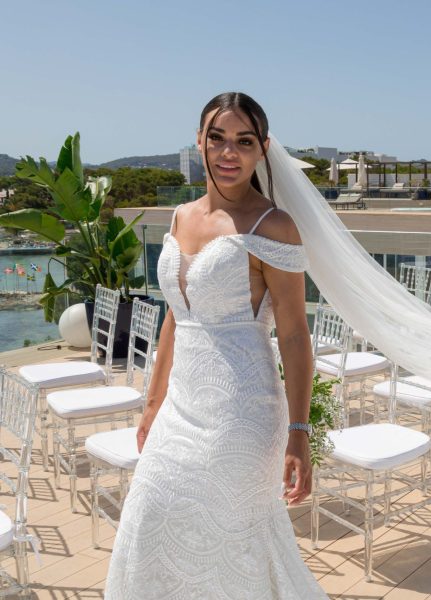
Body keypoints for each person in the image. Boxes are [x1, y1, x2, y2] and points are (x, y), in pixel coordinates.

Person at [104, 92, 328, 599]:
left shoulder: (273, 226)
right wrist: (153, 401)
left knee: (227, 536)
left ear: (262, 149)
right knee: (151, 514)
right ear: (199, 141)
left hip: (242, 411)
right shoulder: (181, 217)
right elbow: (175, 319)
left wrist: (299, 432)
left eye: (244, 142)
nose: (230, 153)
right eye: (218, 138)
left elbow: (294, 335)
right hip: (181, 406)